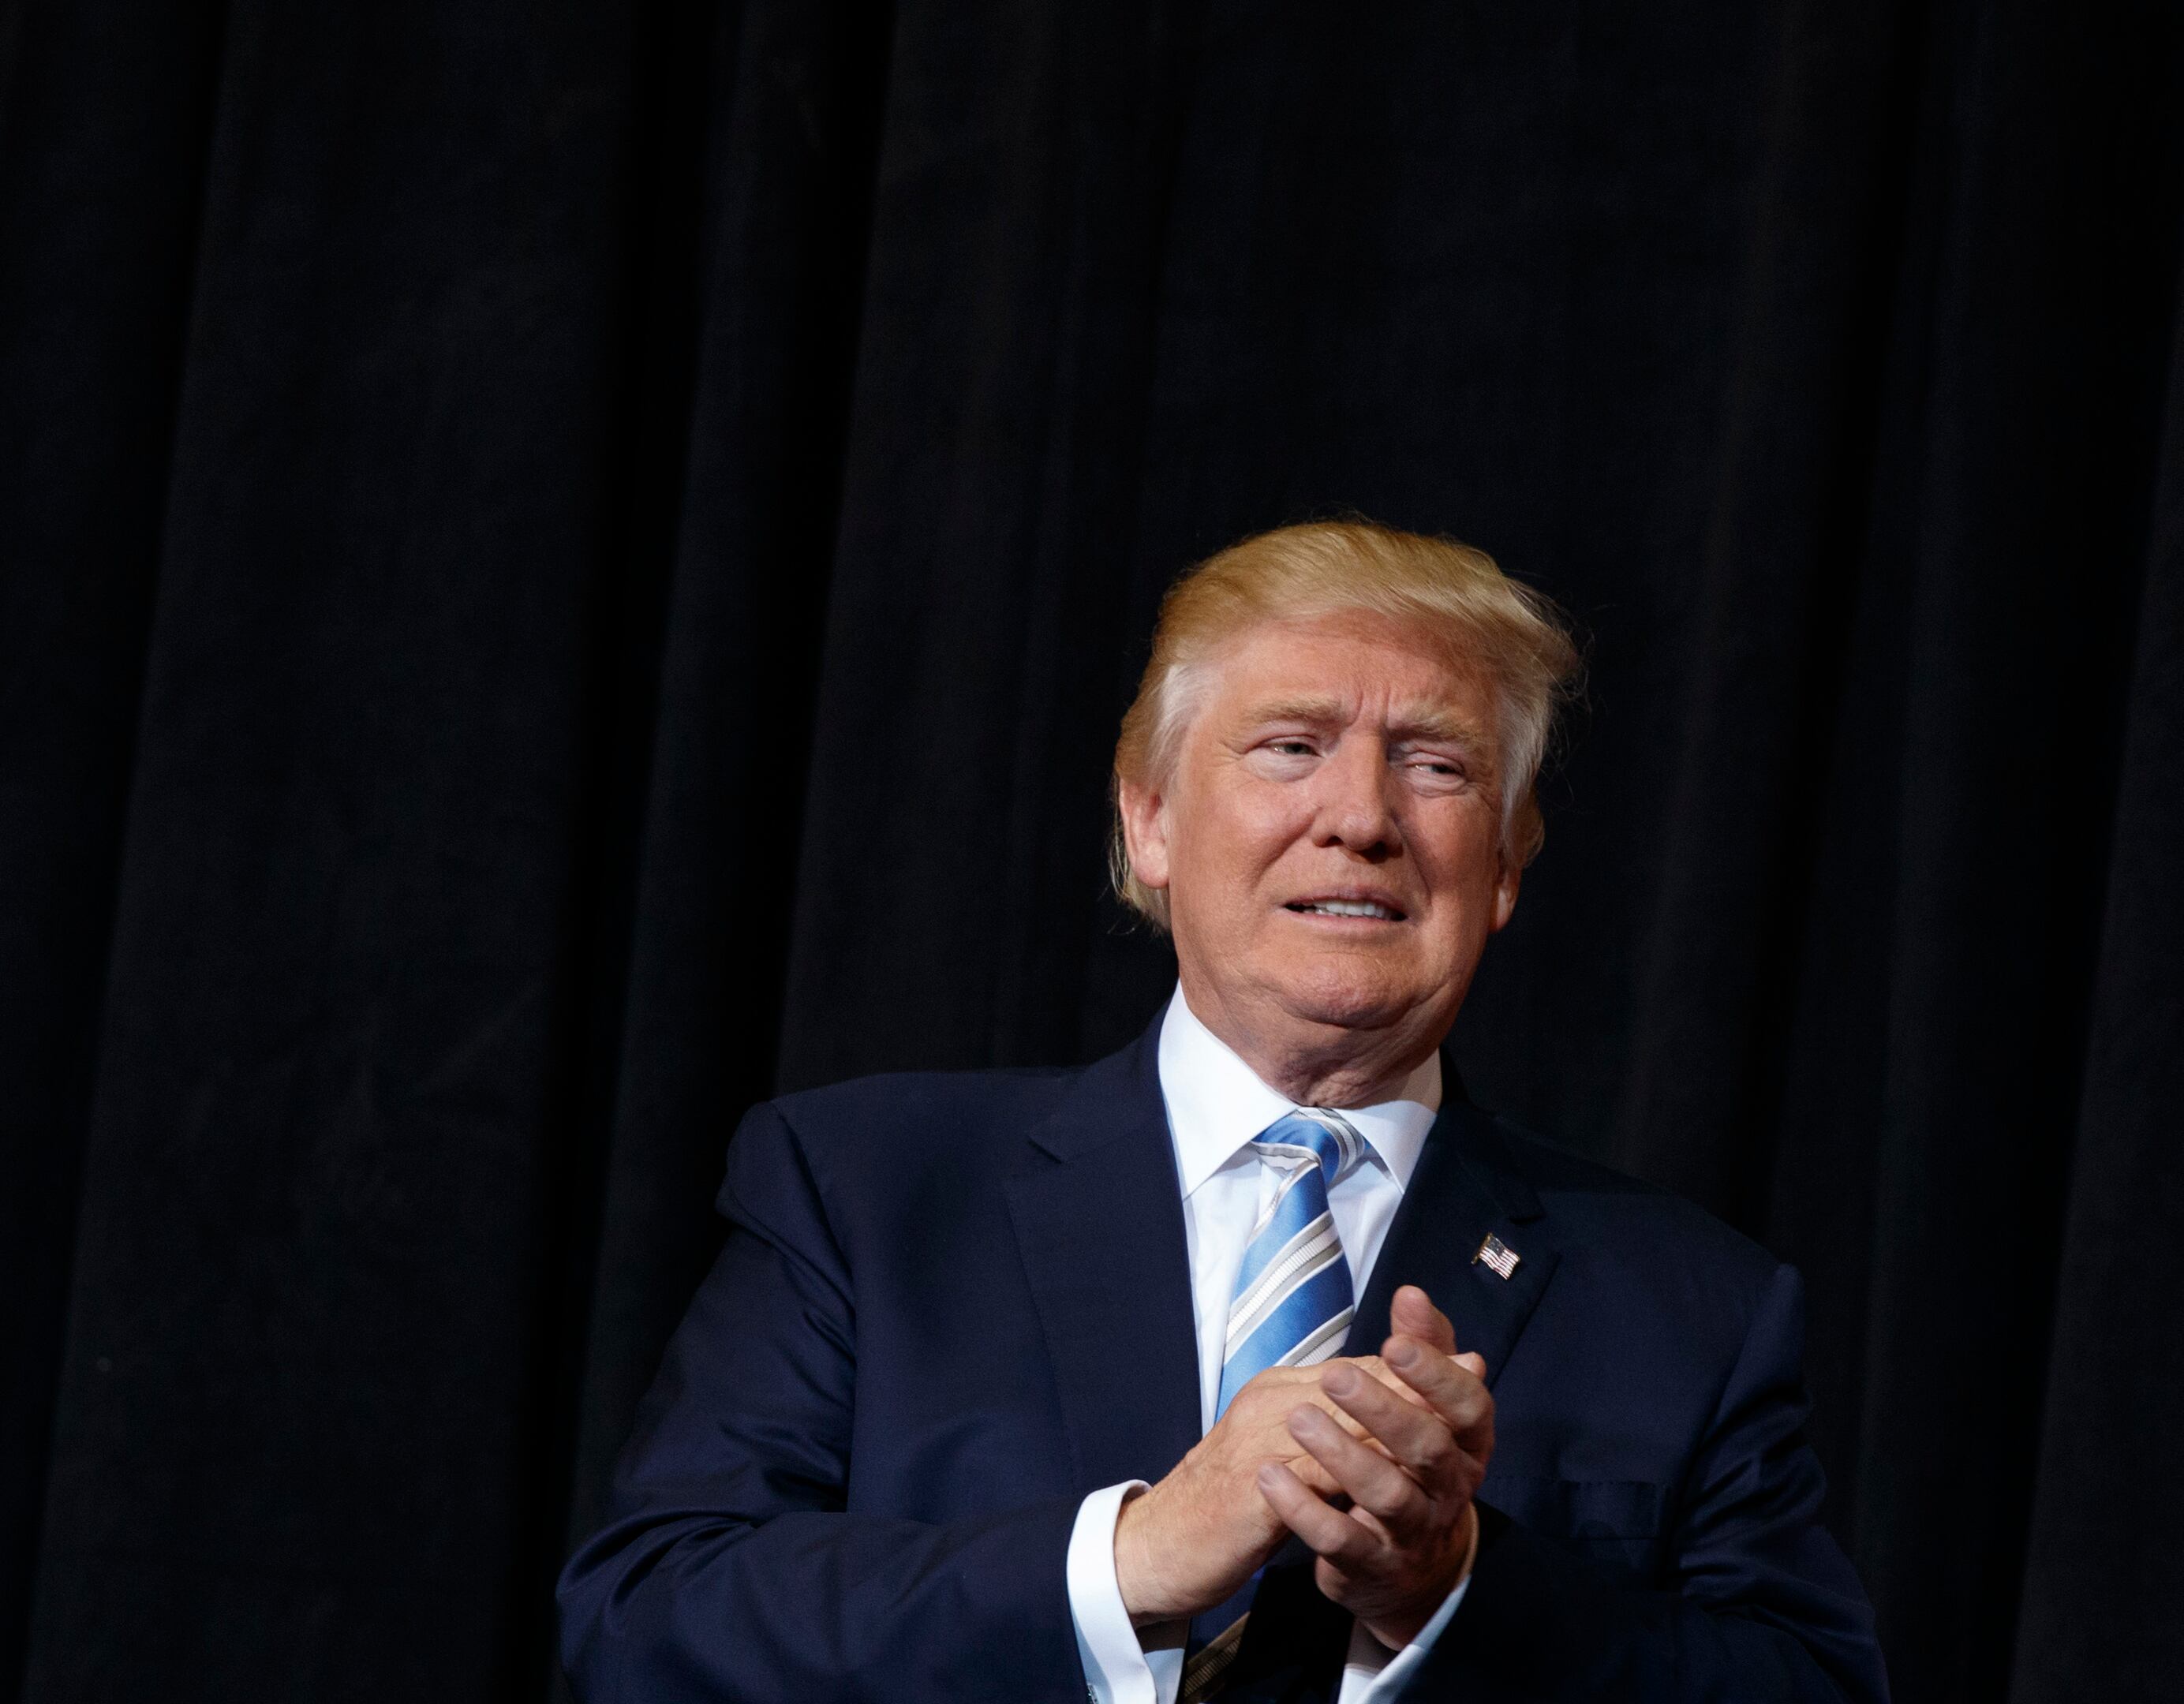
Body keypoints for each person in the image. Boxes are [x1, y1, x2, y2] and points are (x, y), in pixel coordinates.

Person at [556, 521, 1888, 1702]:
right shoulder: (866, 1190)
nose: (1359, 817)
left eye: (1435, 766)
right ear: (1149, 823)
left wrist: (1457, 1587)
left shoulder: (1693, 1306)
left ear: (1506, 871)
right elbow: (646, 1625)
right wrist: (1130, 1558)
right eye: (1291, 746)